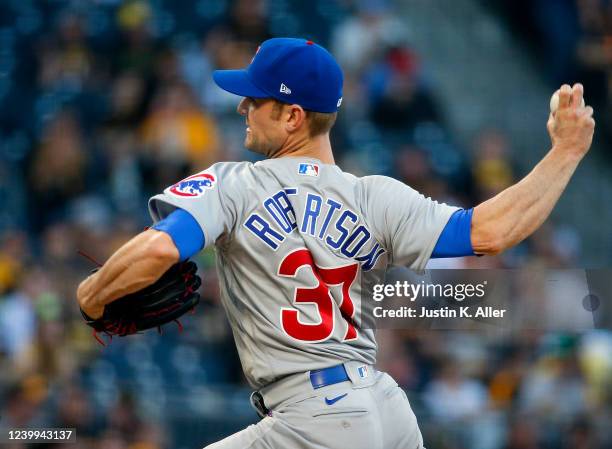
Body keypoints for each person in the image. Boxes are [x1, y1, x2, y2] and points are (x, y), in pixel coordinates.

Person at [77, 38, 595, 448]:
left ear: (292, 115)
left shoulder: (235, 183)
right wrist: (565, 153)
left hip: (314, 419)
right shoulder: (375, 196)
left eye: (255, 99)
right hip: (385, 409)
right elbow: (490, 232)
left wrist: (93, 294)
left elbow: (160, 250)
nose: (242, 108)